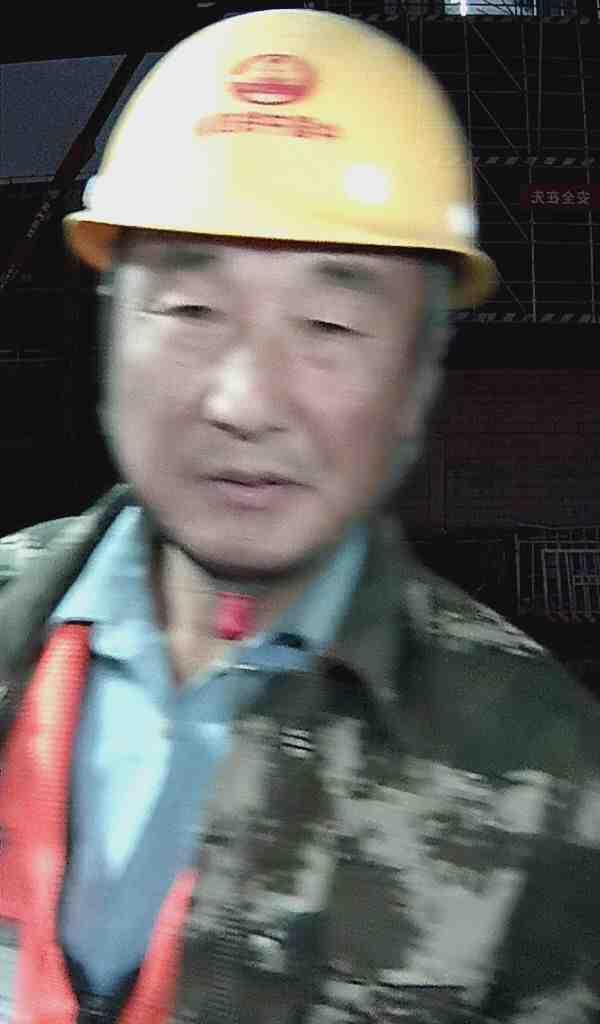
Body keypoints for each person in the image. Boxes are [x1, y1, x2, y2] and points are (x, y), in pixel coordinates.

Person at [0, 10, 599, 1024]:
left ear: (417, 376)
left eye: (330, 324)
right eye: (191, 310)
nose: (244, 400)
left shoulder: (546, 777)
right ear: (108, 334)